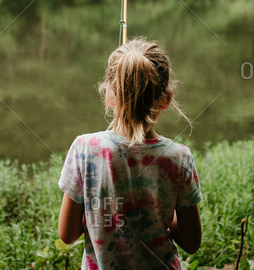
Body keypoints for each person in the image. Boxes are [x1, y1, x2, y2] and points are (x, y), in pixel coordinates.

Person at [58, 37, 202, 269]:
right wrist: (154, 216)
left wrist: (101, 215)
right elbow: (191, 242)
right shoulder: (179, 157)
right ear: (166, 98)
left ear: (110, 96)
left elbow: (67, 234)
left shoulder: (84, 149)